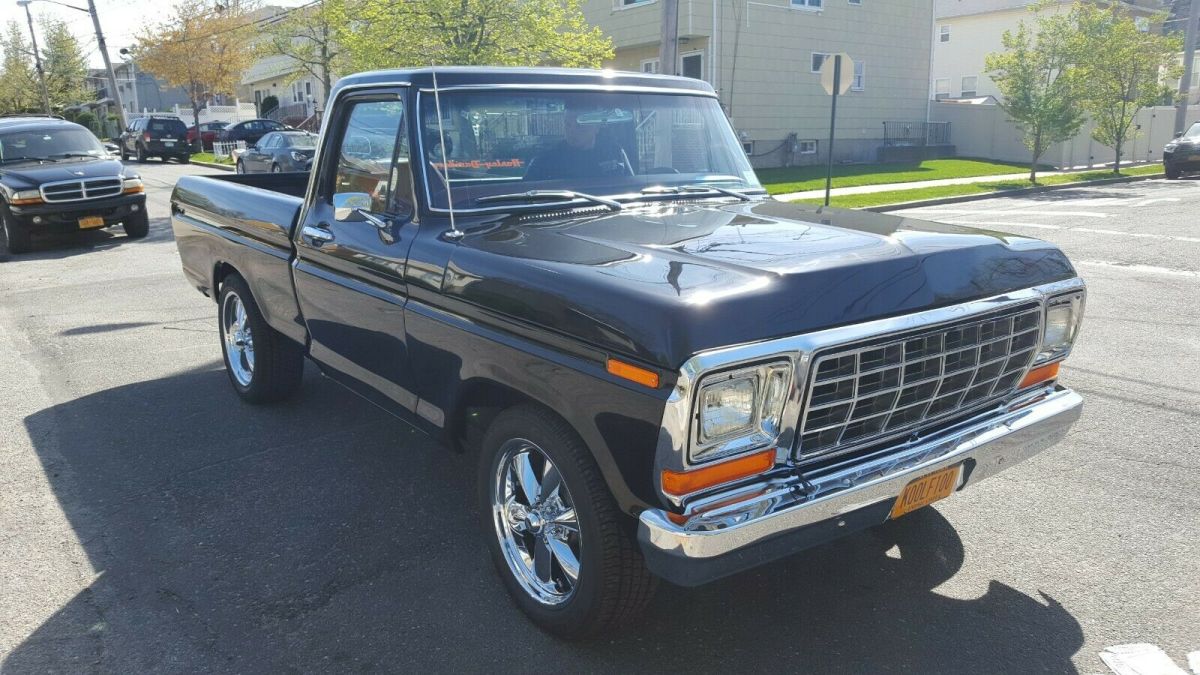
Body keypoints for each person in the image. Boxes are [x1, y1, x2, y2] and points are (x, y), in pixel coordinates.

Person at [523, 104, 632, 181]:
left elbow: (632, 188)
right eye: (567, 125)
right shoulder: (546, 161)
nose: (572, 131)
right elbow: (526, 198)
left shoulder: (614, 152)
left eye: (580, 125)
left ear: (597, 127)